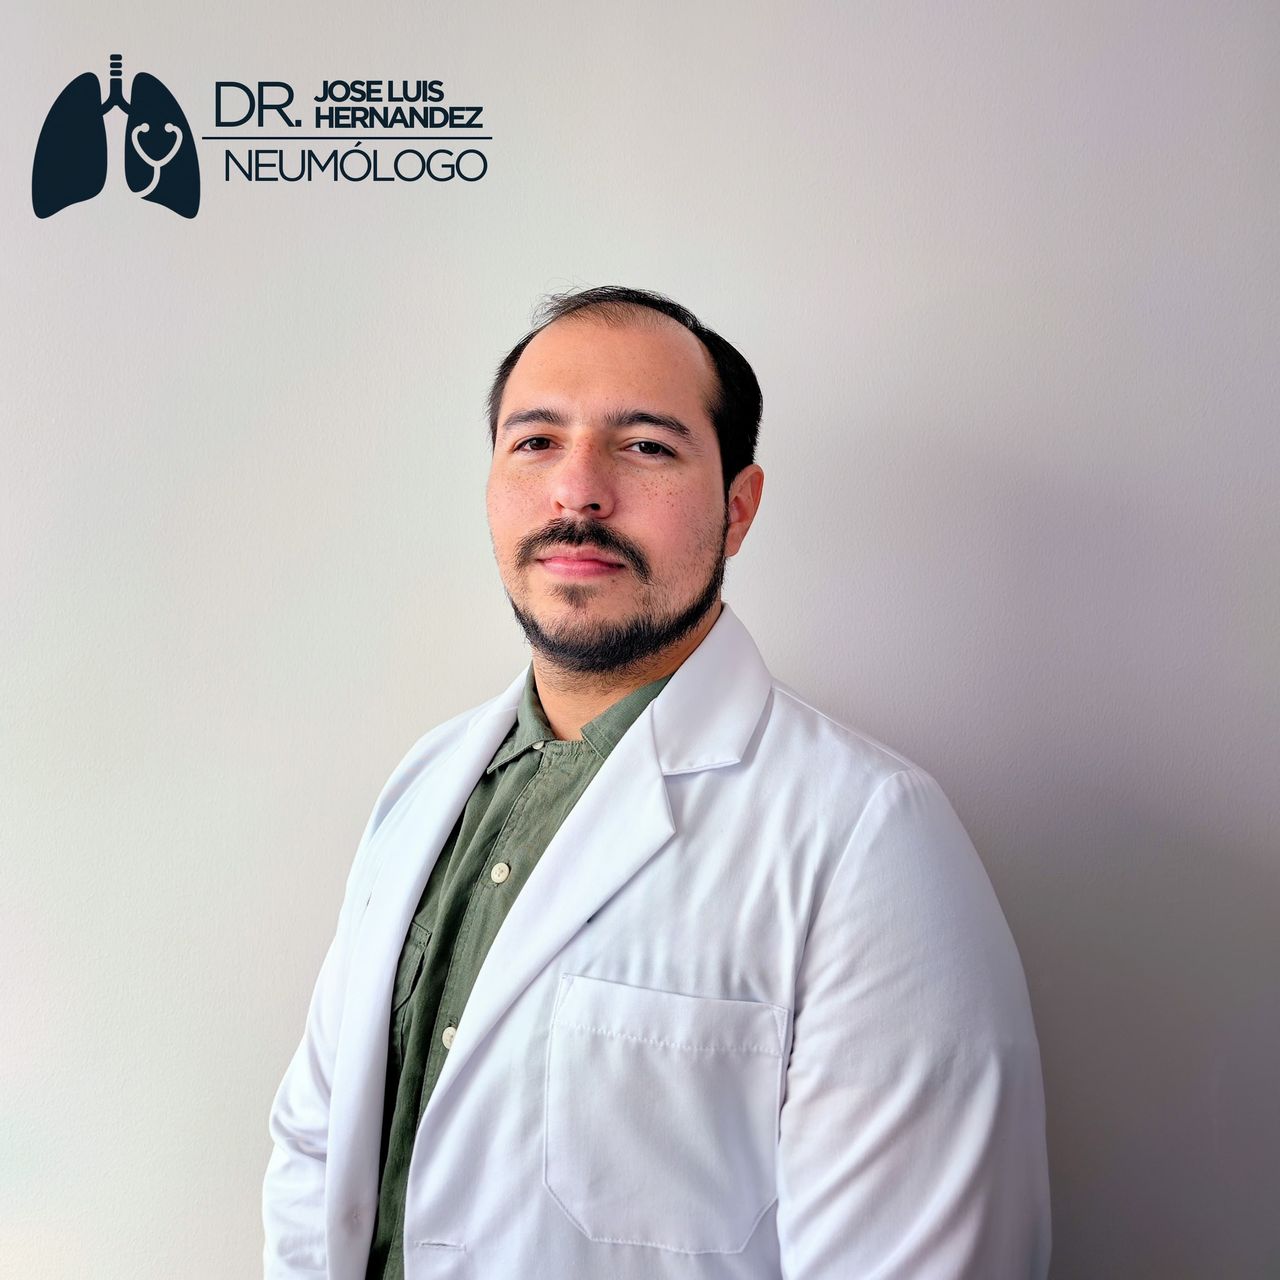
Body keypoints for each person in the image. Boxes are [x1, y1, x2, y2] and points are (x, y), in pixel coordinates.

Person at [262, 285, 1051, 1279]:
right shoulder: (424, 786)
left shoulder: (868, 835)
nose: (577, 491)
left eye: (644, 446)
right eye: (535, 441)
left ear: (737, 507)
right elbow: (316, 1155)